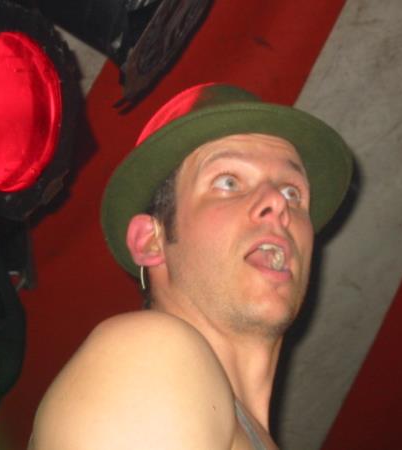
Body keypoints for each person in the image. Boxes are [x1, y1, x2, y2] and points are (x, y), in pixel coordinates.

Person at [29, 82, 353, 449]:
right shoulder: (147, 353)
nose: (278, 203)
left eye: (293, 192)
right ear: (151, 241)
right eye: (228, 182)